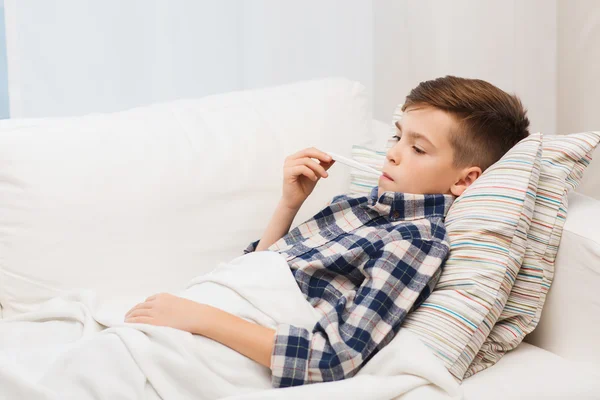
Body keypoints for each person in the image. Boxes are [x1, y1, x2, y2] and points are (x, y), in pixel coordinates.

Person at [124, 75, 530, 389]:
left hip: (221, 343)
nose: (393, 151)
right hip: (201, 317)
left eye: (418, 148)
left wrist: (200, 318)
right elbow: (259, 274)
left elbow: (335, 357)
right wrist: (288, 205)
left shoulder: (415, 242)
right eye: (397, 135)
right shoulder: (355, 207)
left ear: (464, 181)